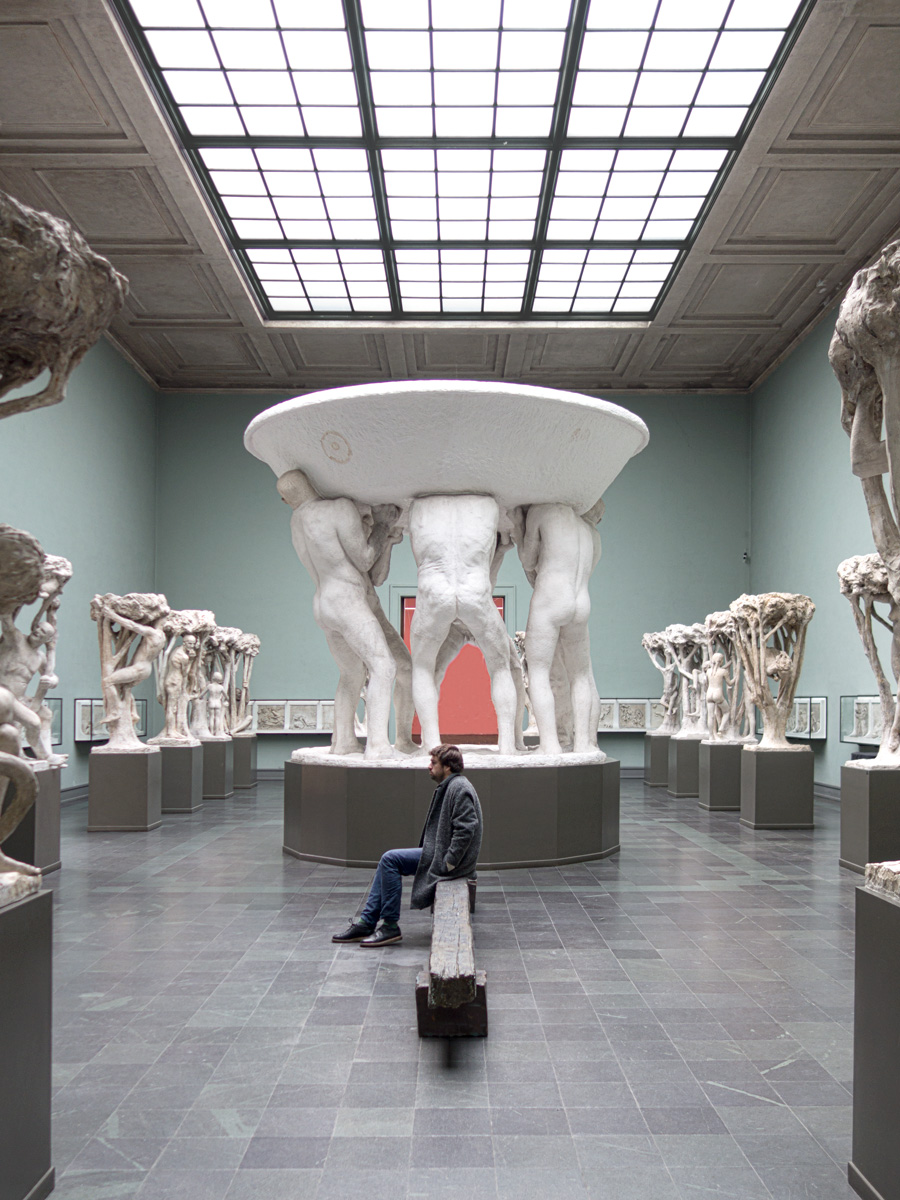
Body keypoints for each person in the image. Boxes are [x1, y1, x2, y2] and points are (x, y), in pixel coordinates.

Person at [332, 744, 483, 947]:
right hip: (440, 855)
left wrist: (450, 862)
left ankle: (389, 926)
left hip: (452, 863)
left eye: (434, 763)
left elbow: (466, 829)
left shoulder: (459, 788)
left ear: (447, 767)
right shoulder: (453, 786)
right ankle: (367, 923)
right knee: (388, 861)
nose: (429, 766)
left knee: (390, 860)